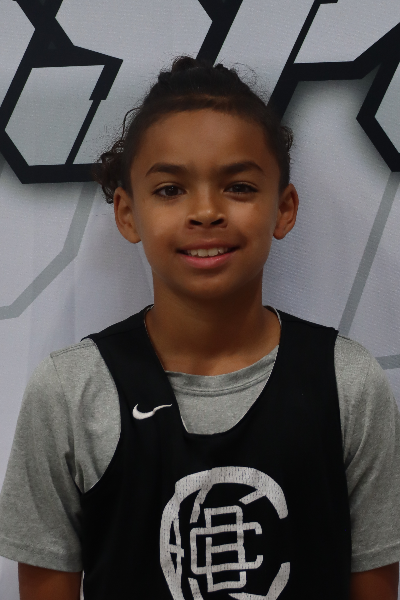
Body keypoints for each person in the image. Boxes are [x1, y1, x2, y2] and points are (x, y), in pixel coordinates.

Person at [0, 55, 399, 600]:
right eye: (170, 190)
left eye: (239, 187)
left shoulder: (347, 384)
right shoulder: (70, 391)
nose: (206, 211)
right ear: (127, 213)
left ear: (284, 209)